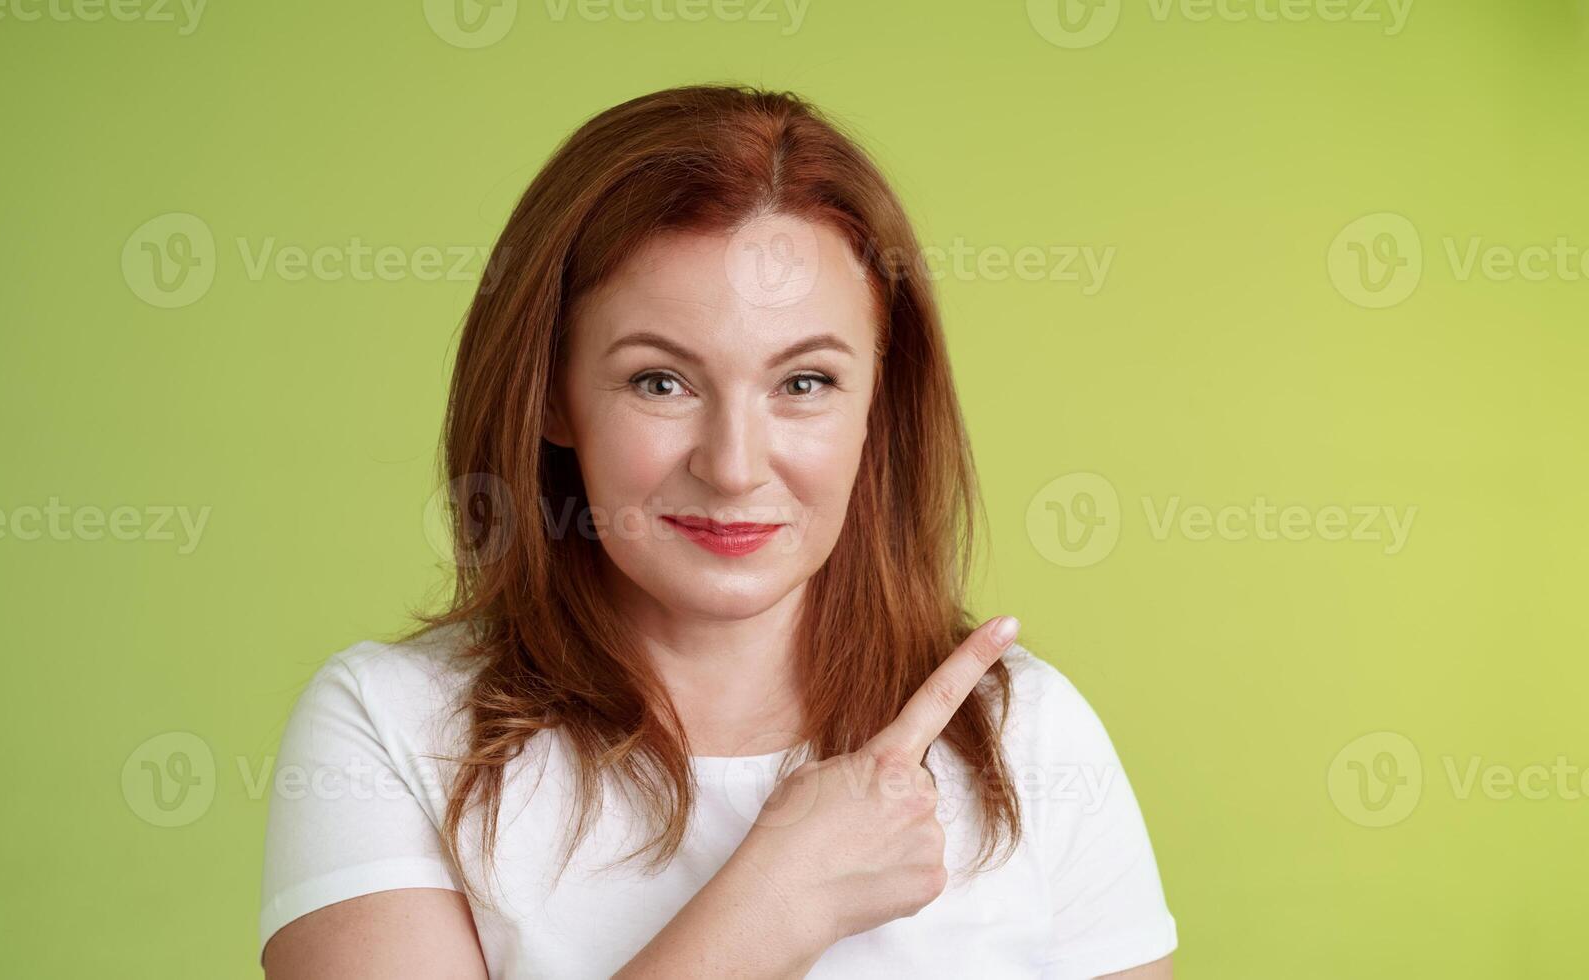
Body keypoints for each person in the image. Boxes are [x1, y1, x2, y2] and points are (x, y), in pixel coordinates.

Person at [260, 84, 1176, 978]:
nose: (734, 466)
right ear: (552, 395)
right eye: (661, 381)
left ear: (876, 404)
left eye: (804, 383)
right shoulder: (392, 729)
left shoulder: (1030, 736)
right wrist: (777, 903)